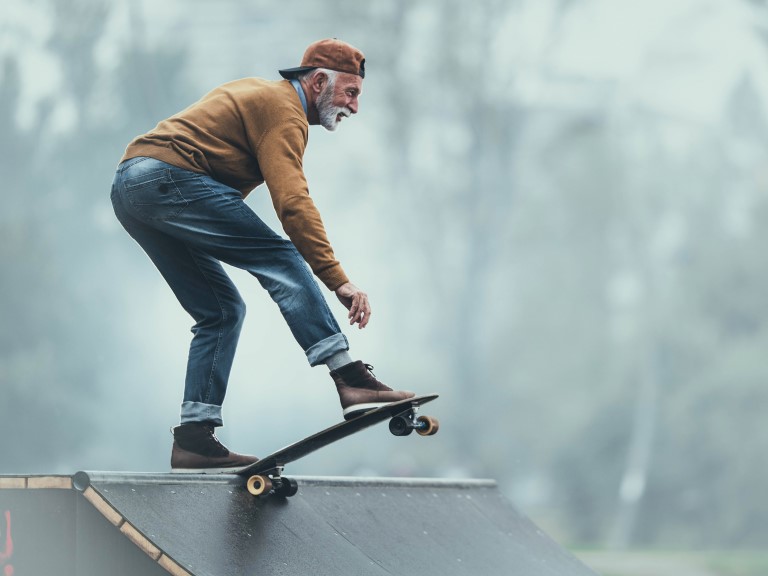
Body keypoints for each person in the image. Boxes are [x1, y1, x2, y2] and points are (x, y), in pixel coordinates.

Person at [110, 38, 415, 472]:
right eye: (351, 93)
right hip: (165, 178)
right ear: (318, 81)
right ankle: (351, 380)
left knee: (221, 311)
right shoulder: (283, 110)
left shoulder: (260, 94)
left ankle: (194, 437)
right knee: (283, 260)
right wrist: (338, 279)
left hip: (134, 188)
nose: (355, 107)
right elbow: (293, 201)